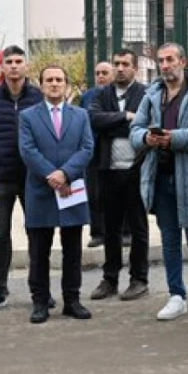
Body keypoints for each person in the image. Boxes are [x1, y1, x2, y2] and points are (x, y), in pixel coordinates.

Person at [131, 42, 188, 328]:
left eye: (170, 59)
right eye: (161, 60)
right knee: (169, 239)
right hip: (161, 177)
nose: (166, 65)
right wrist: (147, 139)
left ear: (182, 61)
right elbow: (134, 131)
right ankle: (176, 296)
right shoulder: (152, 95)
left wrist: (175, 138)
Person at [18, 66, 95, 324]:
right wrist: (52, 175)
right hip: (41, 189)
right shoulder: (28, 116)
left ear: (66, 85)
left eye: (58, 80)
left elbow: (87, 148)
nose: (54, 84)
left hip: (71, 188)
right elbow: (27, 151)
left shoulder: (81, 115)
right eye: (49, 80)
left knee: (72, 249)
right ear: (41, 86)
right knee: (39, 250)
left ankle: (72, 300)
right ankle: (40, 302)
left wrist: (66, 173)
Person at [0, 45, 44, 313]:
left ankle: (40, 288)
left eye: (18, 61)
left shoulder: (38, 96)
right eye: (8, 62)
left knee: (36, 232)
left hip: (32, 178)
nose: (14, 66)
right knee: (0, 234)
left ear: (26, 65)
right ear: (1, 67)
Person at [88, 49, 151, 301]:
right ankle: (110, 279)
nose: (120, 68)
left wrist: (113, 125)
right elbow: (94, 119)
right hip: (108, 170)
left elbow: (144, 123)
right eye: (116, 64)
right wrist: (125, 116)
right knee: (110, 227)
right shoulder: (102, 94)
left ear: (135, 67)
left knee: (138, 227)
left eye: (125, 63)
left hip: (137, 170)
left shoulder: (145, 93)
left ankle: (139, 279)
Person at [83, 61, 114, 249]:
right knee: (94, 193)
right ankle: (97, 233)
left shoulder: (117, 95)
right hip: (92, 150)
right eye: (97, 73)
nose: (100, 76)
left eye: (104, 72)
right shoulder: (88, 96)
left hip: (113, 148)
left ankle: (124, 231)